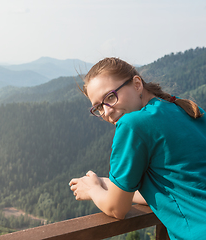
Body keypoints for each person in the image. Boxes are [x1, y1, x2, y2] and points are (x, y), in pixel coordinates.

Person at [69, 57, 206, 239]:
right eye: (98, 107)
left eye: (110, 97)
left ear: (136, 84)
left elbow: (117, 208)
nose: (107, 111)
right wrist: (109, 184)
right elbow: (171, 190)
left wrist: (93, 189)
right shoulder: (185, 108)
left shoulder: (133, 124)